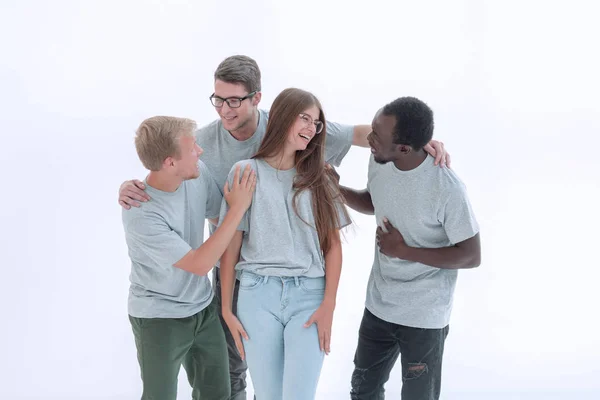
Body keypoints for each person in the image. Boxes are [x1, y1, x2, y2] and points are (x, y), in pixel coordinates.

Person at [117, 55, 450, 399]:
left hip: (302, 289)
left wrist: (412, 142)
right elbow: (165, 167)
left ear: (257, 99)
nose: (225, 109)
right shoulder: (204, 149)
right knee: (235, 377)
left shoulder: (309, 159)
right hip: (243, 280)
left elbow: (356, 136)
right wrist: (137, 187)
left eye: (234, 100)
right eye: (218, 100)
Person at [334, 97, 481, 400]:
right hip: (379, 306)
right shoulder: (380, 159)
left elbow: (471, 255)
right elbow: (376, 200)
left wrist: (404, 251)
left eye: (376, 135)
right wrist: (337, 190)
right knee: (363, 391)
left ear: (403, 147)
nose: (369, 140)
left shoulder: (447, 188)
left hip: (424, 317)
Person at [218, 87, 351, 400]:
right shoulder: (245, 172)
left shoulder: (319, 175)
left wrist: (329, 304)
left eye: (316, 123)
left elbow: (333, 246)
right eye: (304, 118)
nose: (310, 127)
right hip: (255, 295)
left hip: (309, 296)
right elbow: (230, 247)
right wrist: (226, 308)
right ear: (281, 117)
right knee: (268, 396)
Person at [122, 116, 256, 400]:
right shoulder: (141, 212)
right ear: (170, 162)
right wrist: (238, 208)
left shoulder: (197, 174)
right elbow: (200, 264)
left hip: (203, 308)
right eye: (192, 147)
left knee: (218, 394)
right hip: (159, 318)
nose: (200, 151)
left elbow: (219, 219)